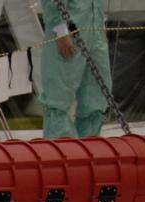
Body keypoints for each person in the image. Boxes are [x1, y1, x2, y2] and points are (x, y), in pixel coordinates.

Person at [40, 0, 111, 138]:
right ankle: (61, 148)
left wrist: (100, 25)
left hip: (94, 31)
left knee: (95, 97)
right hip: (68, 31)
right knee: (59, 97)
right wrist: (60, 31)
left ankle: (89, 145)